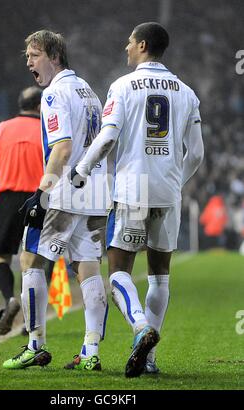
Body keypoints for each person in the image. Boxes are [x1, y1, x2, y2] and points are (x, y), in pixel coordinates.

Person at [72, 22, 204, 377]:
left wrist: (81, 170)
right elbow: (196, 155)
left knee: (117, 272)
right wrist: (176, 181)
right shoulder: (187, 92)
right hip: (168, 191)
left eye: (129, 42)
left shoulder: (123, 85)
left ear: (142, 45)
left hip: (133, 188)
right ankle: (148, 359)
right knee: (160, 276)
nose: (125, 47)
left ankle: (141, 327)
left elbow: (107, 137)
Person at [2, 30, 108, 370]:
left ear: (54, 56)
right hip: (94, 192)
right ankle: (91, 352)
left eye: (34, 55)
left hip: (63, 193)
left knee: (30, 260)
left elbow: (61, 148)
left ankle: (35, 345)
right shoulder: (89, 91)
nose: (29, 62)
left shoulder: (53, 94)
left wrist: (42, 194)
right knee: (88, 269)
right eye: (28, 56)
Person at [0, 86, 45, 335]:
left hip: (7, 198)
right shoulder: (46, 130)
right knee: (33, 263)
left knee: (0, 256)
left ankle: (9, 300)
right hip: (38, 199)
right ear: (40, 107)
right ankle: (31, 322)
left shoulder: (2, 128)